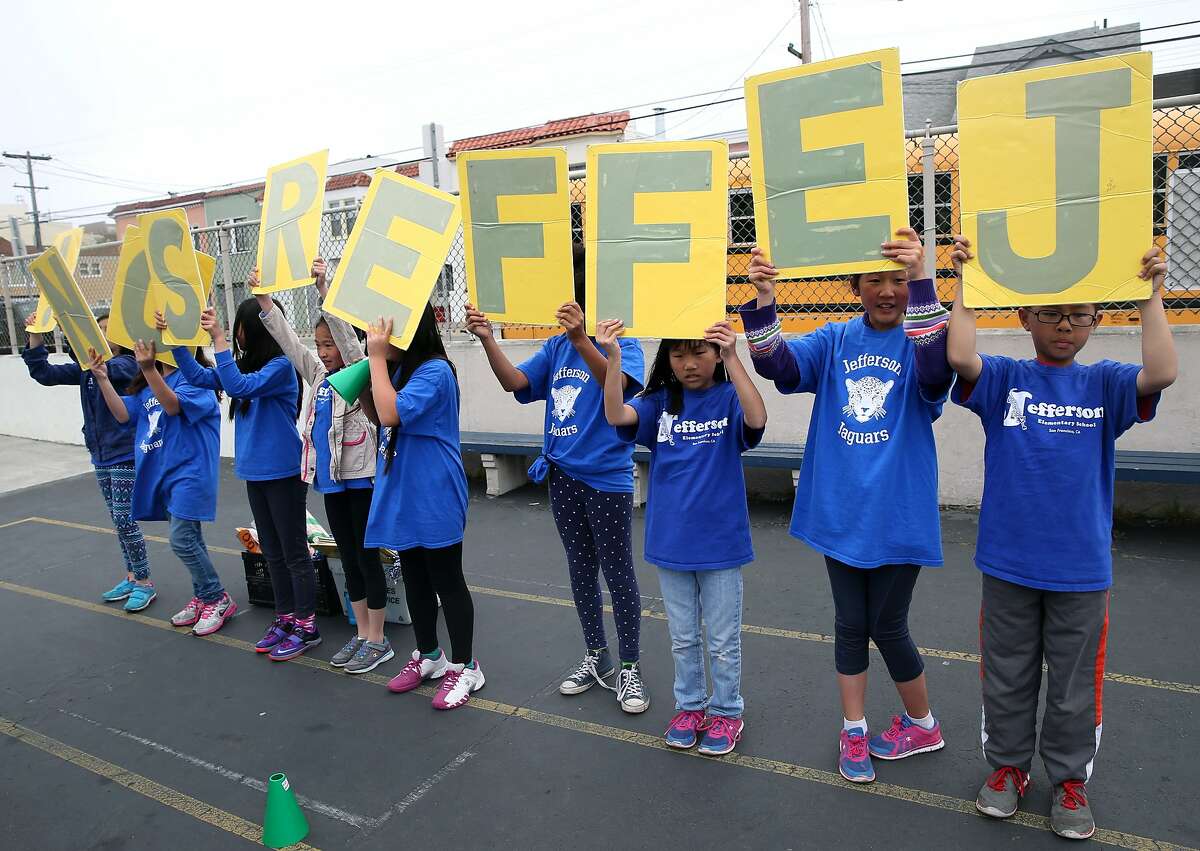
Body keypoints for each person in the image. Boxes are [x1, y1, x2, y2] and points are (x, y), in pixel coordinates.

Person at [943, 239, 1177, 840]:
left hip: (1081, 570)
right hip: (1009, 564)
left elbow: (1164, 371)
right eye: (1051, 314)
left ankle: (1070, 780)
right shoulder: (1004, 377)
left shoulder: (1106, 383)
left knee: (1075, 685)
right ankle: (1007, 771)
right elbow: (961, 356)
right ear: (1025, 319)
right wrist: (967, 281)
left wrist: (1151, 293)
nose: (1065, 325)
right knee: (1007, 674)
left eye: (1079, 316)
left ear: (1097, 322)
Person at [739, 228, 948, 783]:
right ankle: (853, 728)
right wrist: (764, 298)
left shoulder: (923, 341)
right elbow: (778, 366)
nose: (887, 290)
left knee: (887, 623)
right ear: (854, 285)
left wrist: (925, 278)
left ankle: (922, 722)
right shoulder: (834, 340)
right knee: (850, 623)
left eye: (899, 280)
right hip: (841, 508)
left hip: (898, 510)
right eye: (874, 279)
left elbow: (936, 372)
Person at [464, 245, 649, 714]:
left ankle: (629, 666)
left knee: (618, 572)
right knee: (581, 569)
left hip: (605, 478)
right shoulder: (554, 347)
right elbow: (516, 384)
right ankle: (596, 655)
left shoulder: (623, 343)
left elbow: (619, 386)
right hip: (563, 476)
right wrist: (488, 339)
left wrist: (586, 338)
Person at [598, 318, 766, 756]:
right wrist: (613, 358)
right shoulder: (658, 402)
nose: (689, 363)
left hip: (722, 544)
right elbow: (616, 414)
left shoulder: (729, 397)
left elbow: (757, 418)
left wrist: (734, 355)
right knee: (684, 636)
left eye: (699, 352)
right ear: (667, 360)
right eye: (678, 354)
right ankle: (690, 706)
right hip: (671, 543)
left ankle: (727, 712)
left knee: (723, 639)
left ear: (714, 355)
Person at [253, 259, 386, 673]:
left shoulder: (357, 371)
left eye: (329, 344)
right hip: (330, 482)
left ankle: (379, 639)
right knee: (346, 558)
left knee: (367, 558)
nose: (325, 352)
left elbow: (349, 344)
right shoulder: (317, 377)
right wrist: (264, 300)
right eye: (321, 344)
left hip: (360, 479)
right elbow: (291, 343)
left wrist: (324, 291)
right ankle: (361, 632)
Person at [168, 299, 314, 661]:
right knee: (273, 552)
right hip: (256, 473)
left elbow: (238, 387)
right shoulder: (247, 366)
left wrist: (217, 339)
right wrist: (175, 342)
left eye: (238, 328)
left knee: (294, 552)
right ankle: (285, 618)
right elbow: (201, 377)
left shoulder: (281, 366)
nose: (236, 335)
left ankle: (306, 626)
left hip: (283, 472)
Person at [364, 307, 481, 710]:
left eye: (388, 332)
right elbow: (380, 417)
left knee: (447, 580)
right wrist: (372, 367)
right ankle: (430, 655)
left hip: (435, 492)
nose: (380, 337)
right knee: (414, 574)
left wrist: (376, 358)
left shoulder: (435, 371)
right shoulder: (399, 370)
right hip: (405, 490)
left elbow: (391, 412)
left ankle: (466, 666)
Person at [89, 340, 234, 635]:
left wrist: (148, 368)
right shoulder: (147, 385)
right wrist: (103, 378)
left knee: (181, 539)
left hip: (191, 473)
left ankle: (216, 596)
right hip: (163, 473)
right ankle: (204, 596)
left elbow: (171, 406)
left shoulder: (196, 380)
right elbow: (122, 414)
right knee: (191, 538)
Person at [22, 314, 154, 610]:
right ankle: (132, 575)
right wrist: (36, 333)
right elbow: (43, 373)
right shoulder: (87, 370)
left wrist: (73, 332)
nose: (103, 335)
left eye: (108, 330)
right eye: (98, 330)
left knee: (124, 520)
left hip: (124, 453)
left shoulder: (127, 365)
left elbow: (109, 368)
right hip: (100, 453)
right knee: (117, 521)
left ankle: (145, 581)